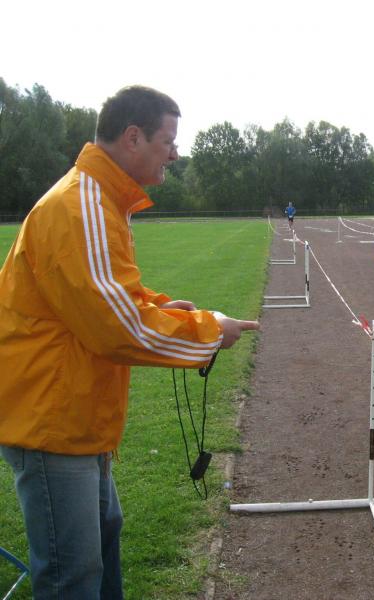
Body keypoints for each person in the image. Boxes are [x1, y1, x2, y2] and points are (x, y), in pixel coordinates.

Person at [0, 85, 260, 599]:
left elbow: (111, 295)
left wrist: (166, 309)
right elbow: (117, 327)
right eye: (169, 141)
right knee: (72, 575)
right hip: (51, 422)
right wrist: (209, 332)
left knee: (103, 539)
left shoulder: (101, 201)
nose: (175, 154)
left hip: (77, 417)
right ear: (134, 137)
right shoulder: (81, 206)